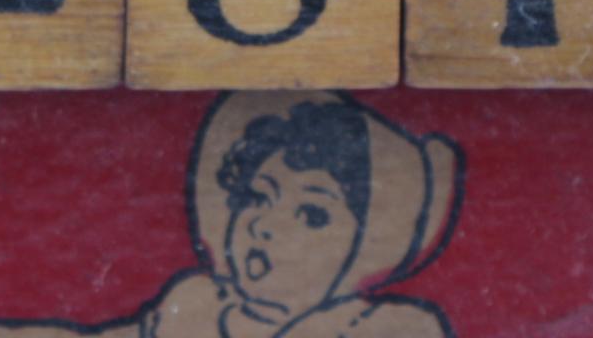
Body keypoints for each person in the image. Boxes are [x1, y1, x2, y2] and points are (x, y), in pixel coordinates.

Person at [144, 95, 458, 338]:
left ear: (366, 245)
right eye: (256, 198)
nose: (264, 226)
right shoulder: (184, 314)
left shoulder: (377, 329)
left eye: (311, 216)